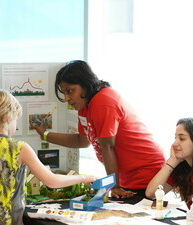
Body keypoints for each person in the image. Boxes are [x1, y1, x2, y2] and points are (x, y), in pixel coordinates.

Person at [32, 60, 165, 199]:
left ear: (85, 84)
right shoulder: (84, 105)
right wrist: (45, 135)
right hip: (127, 176)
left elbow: (108, 147)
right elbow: (82, 141)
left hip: (145, 172)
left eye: (70, 91)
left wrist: (114, 187)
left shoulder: (103, 101)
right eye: (64, 93)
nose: (66, 98)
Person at [0, 89, 97, 225]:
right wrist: (84, 178)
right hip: (8, 219)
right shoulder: (19, 148)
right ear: (9, 117)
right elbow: (52, 181)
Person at [145, 117, 193, 208]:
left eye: (182, 138)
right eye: (175, 138)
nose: (175, 143)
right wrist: (172, 162)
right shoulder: (182, 168)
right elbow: (151, 193)